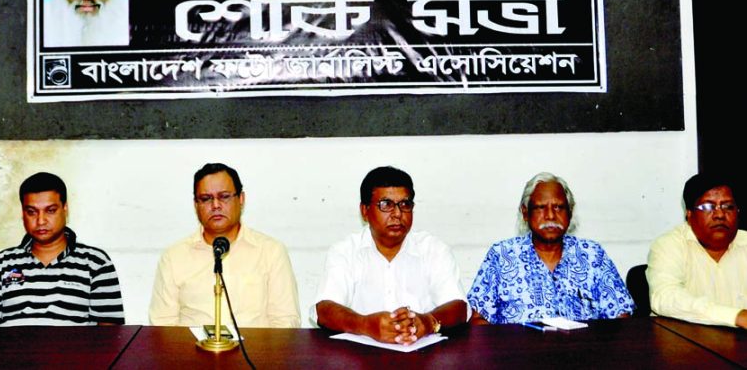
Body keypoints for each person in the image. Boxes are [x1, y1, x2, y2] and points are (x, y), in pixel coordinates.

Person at [313, 166, 469, 345]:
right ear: (364, 211)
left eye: (405, 204)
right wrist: (365, 325)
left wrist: (427, 322)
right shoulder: (345, 251)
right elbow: (324, 309)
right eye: (386, 204)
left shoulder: (433, 249)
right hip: (360, 358)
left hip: (424, 357)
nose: (397, 214)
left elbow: (459, 307)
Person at [468, 172, 635, 324]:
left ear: (570, 212)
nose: (550, 215)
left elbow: (621, 316)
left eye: (558, 207)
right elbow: (478, 320)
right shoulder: (502, 255)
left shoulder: (592, 254)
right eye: (541, 207)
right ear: (525, 213)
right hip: (518, 355)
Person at [149, 163, 300, 328]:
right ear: (196, 204)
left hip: (256, 352)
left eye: (224, 196)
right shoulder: (174, 257)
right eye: (206, 199)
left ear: (241, 199)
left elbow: (286, 323)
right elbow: (162, 326)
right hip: (191, 351)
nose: (215, 205)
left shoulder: (271, 252)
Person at [0, 172, 124, 326]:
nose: (41, 221)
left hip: (74, 351)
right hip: (13, 351)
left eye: (50, 210)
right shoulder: (0, 265)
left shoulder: (96, 263)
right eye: (31, 212)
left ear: (65, 209)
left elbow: (110, 334)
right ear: (23, 214)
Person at [647, 173, 746, 328]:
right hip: (683, 343)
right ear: (689, 214)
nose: (720, 214)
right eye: (707, 206)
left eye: (728, 206)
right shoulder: (669, 245)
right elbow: (664, 297)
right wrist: (736, 316)